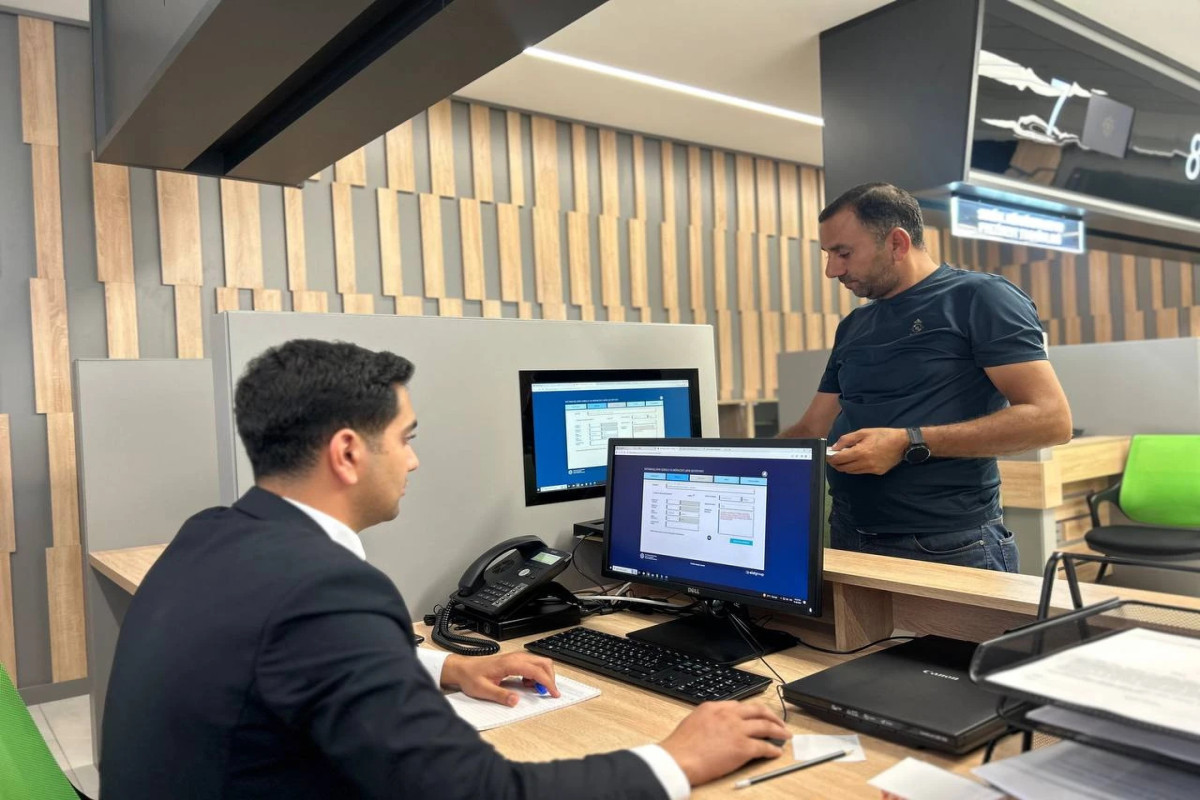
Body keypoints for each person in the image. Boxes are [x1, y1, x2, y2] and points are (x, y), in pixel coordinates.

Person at [100, 339, 789, 800]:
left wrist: (445, 667)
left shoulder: (213, 533)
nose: (414, 460)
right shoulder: (326, 588)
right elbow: (477, 792)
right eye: (405, 439)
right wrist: (676, 758)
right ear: (348, 453)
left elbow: (287, 657)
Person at [779, 183, 1072, 572]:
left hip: (949, 544)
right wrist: (726, 461)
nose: (832, 270)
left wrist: (908, 442)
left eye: (843, 253)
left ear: (897, 243)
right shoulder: (854, 325)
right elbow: (812, 428)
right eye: (828, 255)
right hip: (850, 534)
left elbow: (1051, 420)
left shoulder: (980, 298)